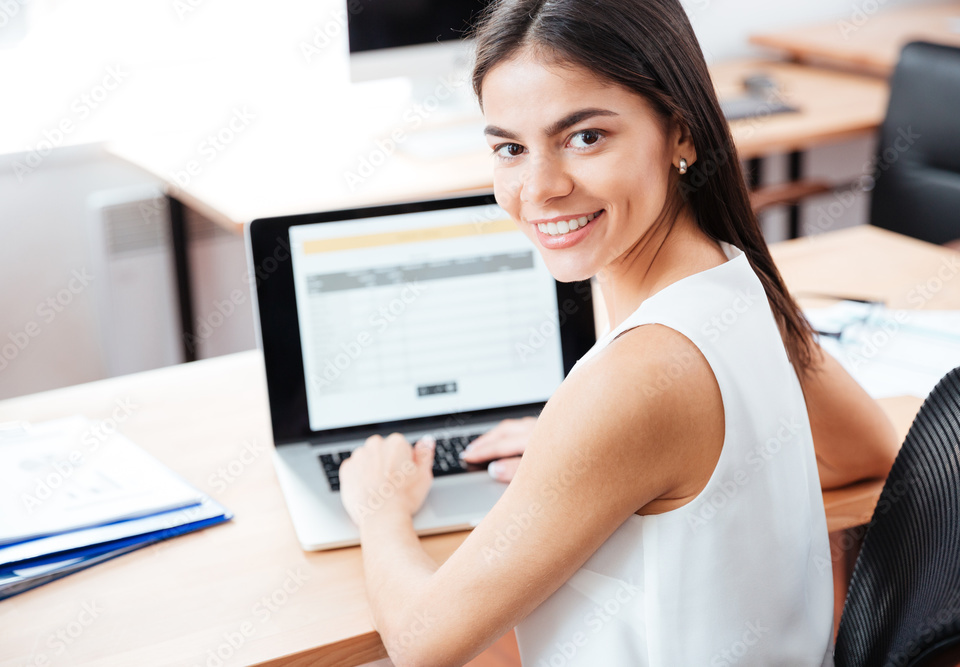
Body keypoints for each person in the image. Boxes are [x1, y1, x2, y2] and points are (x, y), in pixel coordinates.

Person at [337, 1, 900, 664]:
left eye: (586, 137)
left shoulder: (635, 379)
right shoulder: (734, 278)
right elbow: (868, 447)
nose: (539, 187)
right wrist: (579, 453)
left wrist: (380, 511)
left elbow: (421, 643)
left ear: (680, 133)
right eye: (511, 148)